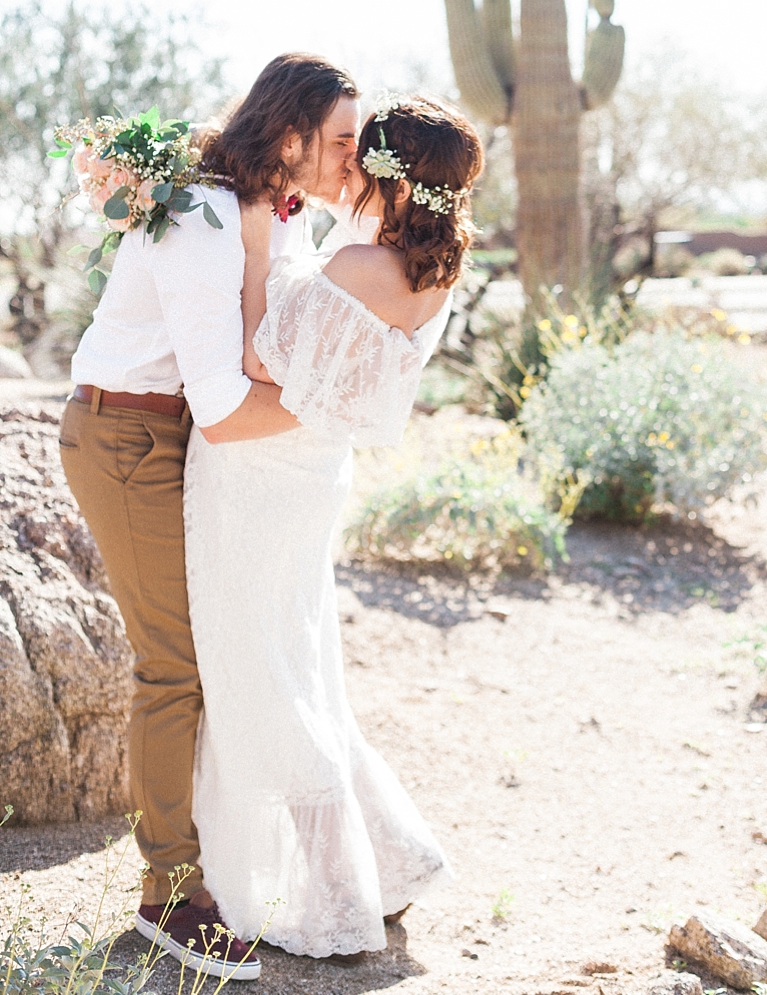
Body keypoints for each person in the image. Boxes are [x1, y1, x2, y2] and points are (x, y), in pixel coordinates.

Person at [59, 54, 360, 982]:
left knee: (215, 649)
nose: (357, 162)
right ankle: (168, 896)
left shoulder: (261, 211)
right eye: (342, 142)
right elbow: (226, 406)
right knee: (175, 665)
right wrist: (349, 404)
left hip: (168, 435)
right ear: (289, 136)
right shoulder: (203, 222)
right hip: (129, 439)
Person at [182, 95, 483, 962]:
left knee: (261, 675)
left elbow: (256, 359)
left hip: (256, 478)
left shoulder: (359, 261)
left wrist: (249, 257)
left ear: (390, 176)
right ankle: (384, 864)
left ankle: (341, 895)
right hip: (310, 473)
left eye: (360, 156)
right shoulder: (431, 270)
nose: (343, 166)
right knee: (298, 666)